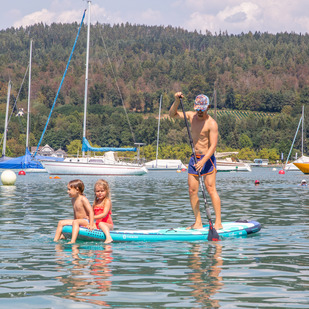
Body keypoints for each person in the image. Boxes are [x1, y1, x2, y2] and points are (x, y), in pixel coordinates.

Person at [169, 92, 222, 230]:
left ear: (208, 107)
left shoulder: (211, 124)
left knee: (211, 189)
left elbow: (213, 146)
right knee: (192, 190)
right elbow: (172, 115)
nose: (199, 111)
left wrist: (203, 161)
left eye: (202, 109)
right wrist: (176, 100)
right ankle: (198, 222)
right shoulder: (191, 116)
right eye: (197, 108)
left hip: (207, 159)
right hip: (194, 158)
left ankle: (218, 222)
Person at [54, 179, 96, 244]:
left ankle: (72, 241)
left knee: (76, 222)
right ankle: (55, 240)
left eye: (69, 189)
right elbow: (75, 212)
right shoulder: (73, 200)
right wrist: (73, 223)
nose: (67, 191)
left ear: (77, 189)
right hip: (77, 221)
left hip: (85, 221)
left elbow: (91, 212)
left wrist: (91, 224)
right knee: (60, 222)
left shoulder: (83, 199)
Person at [93, 179, 114, 244]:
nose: (100, 193)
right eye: (98, 191)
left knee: (101, 224)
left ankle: (108, 237)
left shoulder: (107, 201)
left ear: (106, 191)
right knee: (87, 224)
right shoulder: (95, 203)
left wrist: (93, 217)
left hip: (108, 225)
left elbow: (104, 214)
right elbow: (91, 214)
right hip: (98, 225)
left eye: (102, 191)